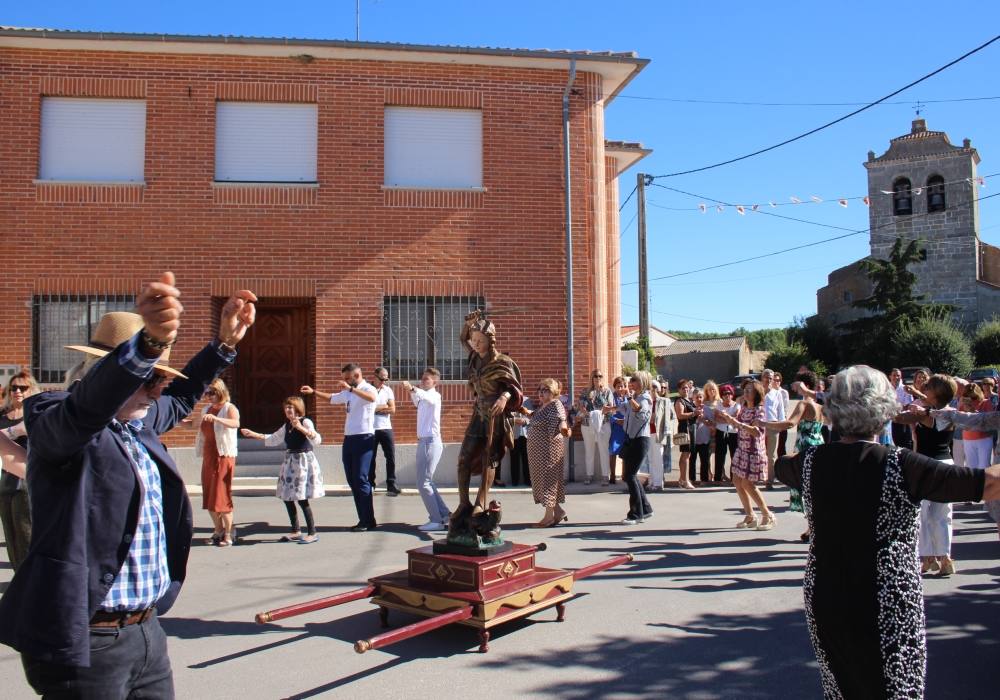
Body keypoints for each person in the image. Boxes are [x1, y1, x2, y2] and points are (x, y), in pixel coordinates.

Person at [0, 272, 256, 696]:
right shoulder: (56, 415)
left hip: (146, 633)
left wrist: (223, 345)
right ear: (99, 372)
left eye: (161, 379)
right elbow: (86, 411)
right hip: (87, 639)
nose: (157, 392)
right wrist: (147, 344)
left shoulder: (137, 421)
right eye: (149, 378)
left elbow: (181, 397)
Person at [776, 365, 997, 699]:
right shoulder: (900, 464)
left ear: (834, 409)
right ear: (884, 410)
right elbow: (987, 483)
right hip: (886, 598)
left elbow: (782, 465)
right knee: (895, 688)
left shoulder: (809, 462)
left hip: (827, 594)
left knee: (841, 688)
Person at [449, 310, 523, 541]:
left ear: (491, 340)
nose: (476, 344)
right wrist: (468, 323)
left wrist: (504, 397)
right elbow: (463, 339)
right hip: (478, 412)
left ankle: (481, 501)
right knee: (464, 458)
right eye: (474, 341)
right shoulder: (473, 357)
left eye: (480, 341)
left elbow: (515, 388)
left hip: (495, 414)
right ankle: (463, 503)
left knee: (489, 458)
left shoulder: (503, 362)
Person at [893, 374, 958, 575]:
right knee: (943, 514)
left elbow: (900, 418)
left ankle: (929, 557)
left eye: (928, 387)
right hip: (946, 462)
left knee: (922, 512)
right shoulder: (952, 412)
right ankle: (944, 557)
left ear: (936, 393)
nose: (925, 389)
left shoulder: (926, 414)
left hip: (925, 464)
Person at [302, 364, 378, 532]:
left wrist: (350, 390)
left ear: (357, 375)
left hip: (364, 437)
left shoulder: (367, 388)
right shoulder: (349, 392)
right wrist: (314, 392)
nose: (345, 382)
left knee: (360, 478)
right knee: (352, 479)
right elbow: (332, 398)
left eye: (347, 378)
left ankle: (368, 520)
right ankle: (363, 519)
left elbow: (372, 399)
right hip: (349, 438)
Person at [241, 397, 324, 544]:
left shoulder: (305, 421)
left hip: (303, 461)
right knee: (287, 496)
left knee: (302, 498)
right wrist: (253, 434)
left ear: (298, 408)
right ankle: (296, 530)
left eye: (291, 407)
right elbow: (274, 438)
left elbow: (316, 439)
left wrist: (301, 428)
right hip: (290, 461)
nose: (288, 410)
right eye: (286, 408)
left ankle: (312, 532)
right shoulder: (286, 425)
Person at [766, 371, 824, 542]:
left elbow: (790, 423)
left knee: (806, 489)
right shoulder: (820, 406)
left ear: (803, 385)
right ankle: (812, 527)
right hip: (818, 445)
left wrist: (764, 424)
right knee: (813, 489)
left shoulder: (804, 404)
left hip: (806, 447)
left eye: (797, 384)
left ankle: (813, 528)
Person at [717, 379, 775, 530]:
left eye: (749, 390)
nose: (746, 392)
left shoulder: (759, 410)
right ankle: (750, 516)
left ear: (757, 393)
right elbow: (739, 426)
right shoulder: (744, 408)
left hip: (753, 451)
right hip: (742, 449)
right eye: (745, 390)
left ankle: (767, 515)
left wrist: (739, 424)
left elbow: (757, 431)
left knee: (748, 484)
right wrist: (729, 419)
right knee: (737, 481)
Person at [402, 368, 450, 532]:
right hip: (424, 441)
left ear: (435, 382)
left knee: (423, 483)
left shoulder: (435, 396)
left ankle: (436, 520)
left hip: (430, 441)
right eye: (422, 378)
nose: (423, 381)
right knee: (427, 482)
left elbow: (425, 397)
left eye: (427, 379)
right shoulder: (424, 396)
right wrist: (412, 391)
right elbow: (417, 400)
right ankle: (444, 515)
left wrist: (413, 388)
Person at [194, 378, 240, 546]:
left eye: (211, 393)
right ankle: (218, 529)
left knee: (221, 495)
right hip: (209, 455)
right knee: (209, 496)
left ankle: (229, 533)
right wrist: (176, 420)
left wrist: (217, 419)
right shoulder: (206, 409)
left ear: (220, 392)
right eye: (206, 393)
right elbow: (195, 425)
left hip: (224, 456)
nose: (208, 396)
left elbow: (236, 423)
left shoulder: (229, 408)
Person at [0, 371, 38, 570]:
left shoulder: (34, 414)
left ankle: (28, 582)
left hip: (25, 480)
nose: (17, 392)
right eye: (13, 388)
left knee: (26, 533)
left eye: (22, 388)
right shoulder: (3, 415)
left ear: (31, 389)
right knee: (10, 535)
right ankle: (18, 581)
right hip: (4, 479)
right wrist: (15, 431)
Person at [527, 378, 571, 527]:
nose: (541, 393)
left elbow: (561, 420)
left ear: (554, 392)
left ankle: (548, 517)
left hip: (548, 450)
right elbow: (536, 418)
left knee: (548, 481)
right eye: (540, 389)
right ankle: (558, 512)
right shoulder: (543, 406)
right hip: (538, 452)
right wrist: (524, 412)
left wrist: (564, 429)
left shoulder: (555, 405)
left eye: (545, 390)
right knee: (545, 480)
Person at [620, 371, 654, 525]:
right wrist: (609, 408)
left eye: (634, 380)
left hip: (640, 440)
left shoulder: (645, 398)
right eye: (631, 380)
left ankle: (636, 514)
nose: (631, 382)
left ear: (643, 382)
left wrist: (628, 397)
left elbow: (640, 411)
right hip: (632, 439)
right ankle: (645, 509)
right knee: (630, 475)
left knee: (630, 476)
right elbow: (624, 408)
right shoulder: (635, 397)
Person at [576, 369, 614, 486]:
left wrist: (600, 393)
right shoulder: (585, 392)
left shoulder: (607, 391)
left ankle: (605, 476)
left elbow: (610, 408)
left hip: (603, 424)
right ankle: (589, 475)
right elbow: (581, 407)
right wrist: (587, 412)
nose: (598, 378)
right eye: (595, 376)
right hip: (587, 424)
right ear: (592, 378)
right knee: (589, 450)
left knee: (603, 450)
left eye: (600, 376)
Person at [369, 367, 401, 495]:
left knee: (391, 457)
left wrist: (376, 408)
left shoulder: (388, 390)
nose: (383, 382)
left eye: (386, 379)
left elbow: (392, 409)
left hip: (386, 428)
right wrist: (383, 406)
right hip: (371, 428)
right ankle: (371, 483)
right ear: (374, 376)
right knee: (371, 457)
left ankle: (391, 484)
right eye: (381, 379)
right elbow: (367, 409)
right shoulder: (367, 389)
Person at [761, 369, 786, 489]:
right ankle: (758, 477)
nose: (769, 380)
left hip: (773, 425)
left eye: (771, 378)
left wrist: (781, 425)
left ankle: (769, 480)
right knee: (758, 453)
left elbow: (780, 411)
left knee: (771, 455)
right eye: (766, 377)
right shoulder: (758, 391)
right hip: (759, 425)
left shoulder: (777, 393)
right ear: (762, 378)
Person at [652, 379, 676, 486]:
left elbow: (671, 417)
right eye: (651, 387)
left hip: (660, 432)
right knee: (652, 458)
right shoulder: (648, 401)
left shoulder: (665, 401)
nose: (662, 389)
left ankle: (659, 481)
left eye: (664, 387)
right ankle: (653, 480)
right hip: (649, 432)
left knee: (659, 457)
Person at [674, 378, 697, 490]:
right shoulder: (680, 401)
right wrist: (694, 413)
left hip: (691, 428)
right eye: (683, 388)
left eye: (687, 387)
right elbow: (680, 415)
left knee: (687, 454)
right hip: (685, 429)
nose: (685, 390)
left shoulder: (689, 400)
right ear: (679, 390)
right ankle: (685, 480)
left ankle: (682, 479)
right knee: (685, 454)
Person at [714, 384, 740, 480]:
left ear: (732, 394)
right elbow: (716, 418)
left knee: (734, 455)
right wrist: (729, 418)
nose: (727, 395)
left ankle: (734, 478)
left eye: (729, 393)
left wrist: (724, 417)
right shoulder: (718, 405)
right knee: (720, 455)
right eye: (725, 394)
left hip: (733, 432)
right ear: (722, 395)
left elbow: (735, 418)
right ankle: (718, 477)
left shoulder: (737, 405)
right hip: (721, 432)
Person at [607, 376, 628, 485]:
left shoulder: (627, 398)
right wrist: (616, 420)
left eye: (622, 386)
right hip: (615, 428)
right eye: (618, 386)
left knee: (625, 451)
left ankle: (624, 474)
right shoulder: (612, 397)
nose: (620, 389)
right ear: (614, 387)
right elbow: (608, 413)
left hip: (625, 428)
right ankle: (613, 475)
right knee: (613, 451)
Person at [509, 397, 533, 487]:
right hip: (514, 434)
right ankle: (515, 481)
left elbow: (532, 415)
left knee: (526, 459)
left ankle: (528, 480)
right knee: (514, 458)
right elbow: (507, 416)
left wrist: (525, 421)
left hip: (526, 434)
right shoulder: (510, 401)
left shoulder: (527, 400)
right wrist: (515, 420)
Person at [888, 367, 914, 449]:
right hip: (888, 421)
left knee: (903, 445)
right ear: (890, 376)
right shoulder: (885, 388)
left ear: (901, 377)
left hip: (902, 421)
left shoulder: (905, 389)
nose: (896, 377)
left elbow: (907, 406)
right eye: (894, 375)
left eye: (898, 375)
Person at [691, 388, 713, 483]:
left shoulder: (707, 409)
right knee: (692, 460)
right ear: (693, 398)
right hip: (693, 439)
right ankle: (692, 479)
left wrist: (703, 419)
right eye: (697, 397)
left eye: (700, 397)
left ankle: (704, 479)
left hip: (704, 438)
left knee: (704, 461)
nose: (699, 399)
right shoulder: (691, 408)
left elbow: (712, 423)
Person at [773, 372, 791, 459]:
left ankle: (782, 466)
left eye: (778, 380)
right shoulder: (768, 392)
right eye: (775, 380)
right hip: (771, 422)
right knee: (771, 446)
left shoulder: (784, 392)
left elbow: (785, 408)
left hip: (781, 420)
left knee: (781, 446)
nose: (777, 382)